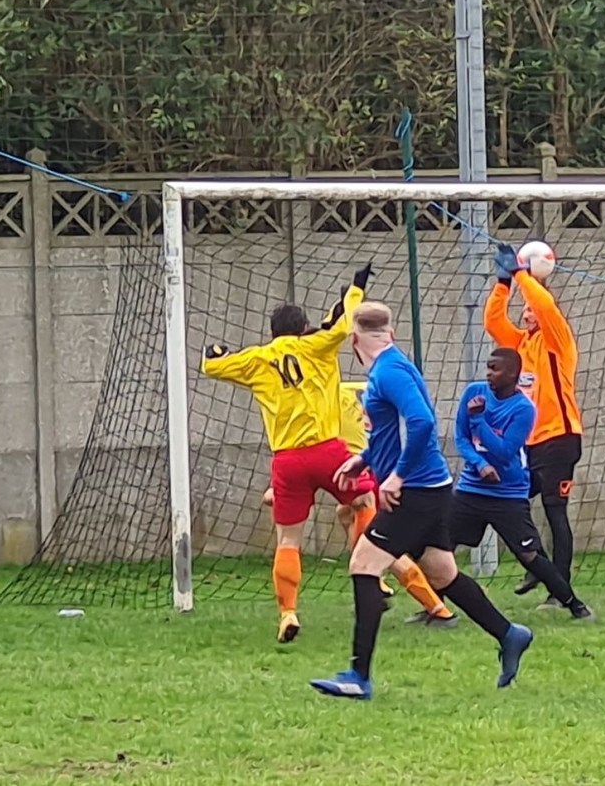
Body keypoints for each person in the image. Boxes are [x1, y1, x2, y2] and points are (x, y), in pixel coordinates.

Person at [310, 302, 533, 700]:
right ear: (390, 334)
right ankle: (509, 633)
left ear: (354, 340)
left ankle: (358, 676)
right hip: (430, 487)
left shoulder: (388, 372)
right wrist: (364, 458)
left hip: (414, 492)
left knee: (363, 565)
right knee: (443, 573)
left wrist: (395, 476)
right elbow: (402, 425)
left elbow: (423, 422)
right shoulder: (397, 364)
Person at [201, 264, 378, 644]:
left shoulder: (257, 358)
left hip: (286, 460)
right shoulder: (316, 345)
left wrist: (215, 351)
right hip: (328, 451)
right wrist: (356, 288)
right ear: (302, 330)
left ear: (271, 333)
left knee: (287, 539)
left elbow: (212, 365)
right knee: (365, 500)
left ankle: (288, 613)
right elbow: (344, 324)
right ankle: (371, 576)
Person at [260, 379, 457, 628]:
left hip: (364, 470)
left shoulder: (310, 411)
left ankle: (429, 605)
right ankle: (386, 584)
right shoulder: (362, 387)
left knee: (380, 544)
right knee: (346, 514)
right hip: (374, 468)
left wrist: (279, 490)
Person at [484, 243, 591, 616]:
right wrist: (502, 283)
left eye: (531, 307)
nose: (528, 311)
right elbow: (493, 323)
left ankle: (557, 590)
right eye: (524, 309)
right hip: (531, 445)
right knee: (506, 500)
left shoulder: (557, 339)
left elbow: (545, 306)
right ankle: (539, 567)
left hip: (561, 439)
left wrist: (522, 275)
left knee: (554, 511)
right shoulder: (522, 343)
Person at [451, 347, 593, 618]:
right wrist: (479, 465)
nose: (489, 374)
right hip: (471, 490)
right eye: (488, 367)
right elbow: (461, 437)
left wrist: (479, 420)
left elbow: (504, 452)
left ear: (514, 374)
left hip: (508, 494)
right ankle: (435, 609)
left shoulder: (524, 409)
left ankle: (574, 604)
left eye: (496, 369)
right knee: (440, 550)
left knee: (529, 556)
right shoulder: (474, 392)